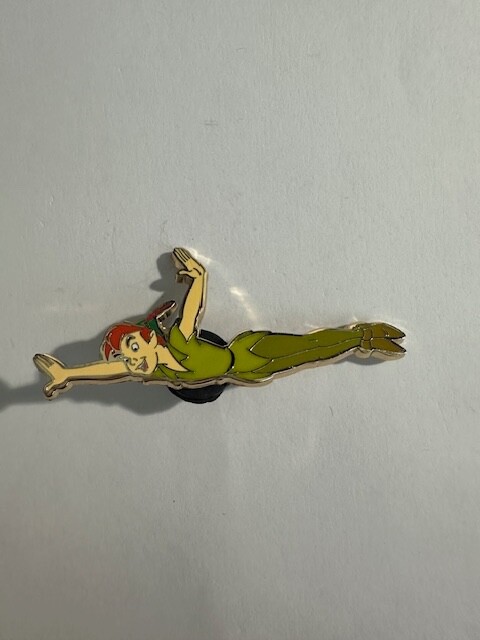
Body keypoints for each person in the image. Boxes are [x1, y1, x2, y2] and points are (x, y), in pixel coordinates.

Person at [34, 248, 405, 399]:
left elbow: (190, 311)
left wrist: (198, 276)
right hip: (246, 372)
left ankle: (363, 337)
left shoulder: (178, 340)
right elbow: (109, 370)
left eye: (132, 346)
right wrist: (69, 374)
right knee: (309, 353)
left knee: (310, 349)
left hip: (249, 352)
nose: (131, 360)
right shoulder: (156, 372)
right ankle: (360, 339)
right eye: (126, 358)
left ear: (150, 337)